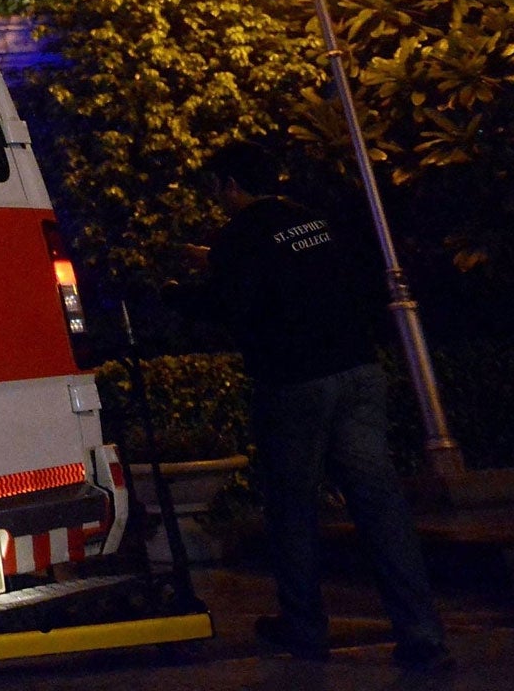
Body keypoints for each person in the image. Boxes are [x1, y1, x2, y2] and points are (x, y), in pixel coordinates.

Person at [191, 141, 451, 672]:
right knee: (380, 505)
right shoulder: (317, 222)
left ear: (230, 186)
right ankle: (422, 633)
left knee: (293, 506)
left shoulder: (239, 237)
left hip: (295, 382)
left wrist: (184, 289)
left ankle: (305, 628)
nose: (217, 201)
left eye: (216, 190)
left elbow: (233, 308)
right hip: (358, 370)